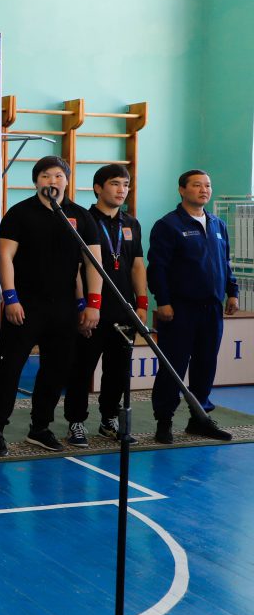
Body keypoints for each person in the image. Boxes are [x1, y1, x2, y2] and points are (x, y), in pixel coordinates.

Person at [0, 155, 102, 455]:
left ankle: (40, 428)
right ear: (36, 181)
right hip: (25, 306)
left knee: (55, 370)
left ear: (67, 181)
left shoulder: (80, 216)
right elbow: (5, 257)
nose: (52, 181)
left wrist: (93, 304)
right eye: (46, 176)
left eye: (58, 176)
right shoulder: (20, 213)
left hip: (64, 308)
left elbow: (93, 263)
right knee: (10, 368)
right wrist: (11, 297)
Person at [147, 169, 238, 443]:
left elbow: (226, 262)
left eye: (207, 185)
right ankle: (164, 421)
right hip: (179, 310)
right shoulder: (168, 225)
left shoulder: (218, 224)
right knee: (172, 366)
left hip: (212, 309)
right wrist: (163, 302)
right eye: (197, 185)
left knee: (205, 365)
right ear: (182, 190)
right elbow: (158, 268)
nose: (204, 190)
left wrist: (232, 292)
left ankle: (200, 420)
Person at [63, 165, 147, 447]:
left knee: (118, 370)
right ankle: (76, 421)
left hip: (124, 310)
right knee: (82, 367)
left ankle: (109, 419)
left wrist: (142, 304)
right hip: (92, 310)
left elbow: (137, 265)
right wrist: (82, 306)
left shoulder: (131, 223)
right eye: (115, 184)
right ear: (98, 188)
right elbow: (75, 268)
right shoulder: (83, 221)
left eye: (126, 184)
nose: (122, 190)